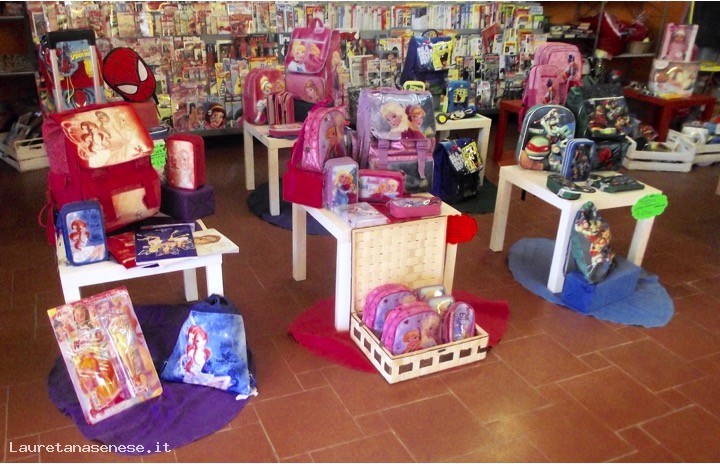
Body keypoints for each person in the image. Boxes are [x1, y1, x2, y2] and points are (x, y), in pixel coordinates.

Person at [182, 325, 232, 390]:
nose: (190, 341)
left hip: (198, 377)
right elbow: (185, 359)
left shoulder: (203, 351)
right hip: (196, 377)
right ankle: (221, 394)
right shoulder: (192, 352)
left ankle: (218, 393)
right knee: (227, 379)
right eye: (197, 340)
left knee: (220, 385)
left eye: (197, 340)